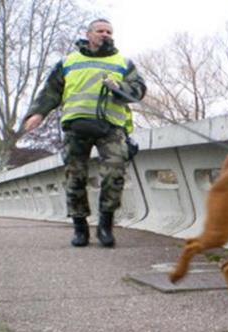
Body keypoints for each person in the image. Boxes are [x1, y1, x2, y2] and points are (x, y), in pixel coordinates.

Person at [23, 19, 146, 248]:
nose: (105, 35)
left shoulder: (123, 63)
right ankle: (80, 227)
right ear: (88, 34)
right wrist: (37, 114)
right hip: (76, 126)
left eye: (109, 31)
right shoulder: (68, 62)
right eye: (100, 31)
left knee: (114, 173)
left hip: (111, 127)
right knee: (75, 177)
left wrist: (120, 88)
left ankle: (105, 226)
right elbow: (51, 91)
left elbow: (139, 90)